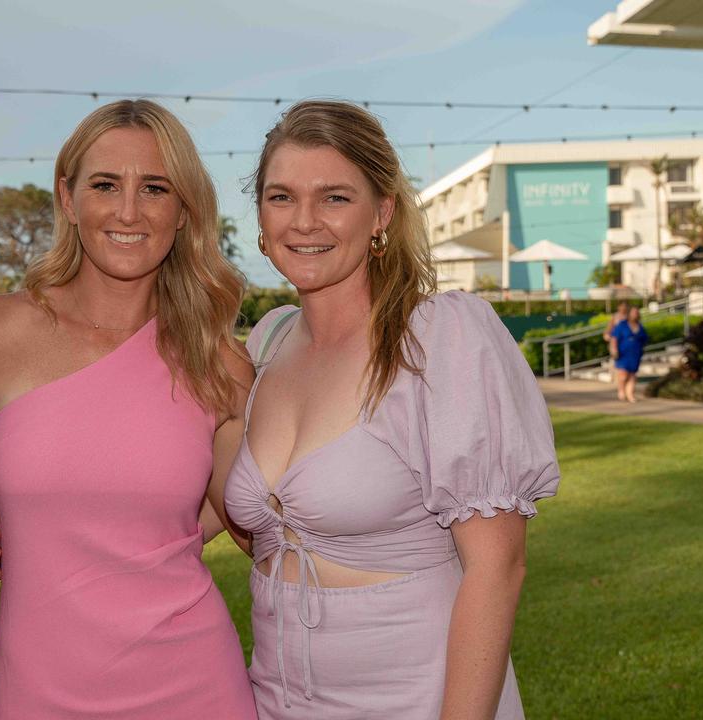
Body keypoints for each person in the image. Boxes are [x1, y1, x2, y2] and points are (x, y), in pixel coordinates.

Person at [222, 100, 561, 719]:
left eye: (335, 198)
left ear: (382, 212)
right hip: (276, 696)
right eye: (281, 197)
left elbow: (497, 567)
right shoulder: (267, 342)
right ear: (261, 218)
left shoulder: (439, 338)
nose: (304, 222)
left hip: (420, 696)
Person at [0, 99, 257, 719]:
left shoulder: (219, 364)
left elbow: (256, 518)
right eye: (105, 185)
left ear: (182, 212)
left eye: (154, 188)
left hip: (192, 685)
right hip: (37, 686)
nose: (128, 211)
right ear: (68, 199)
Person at [611, 306, 649, 402]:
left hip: (635, 353)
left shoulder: (640, 327)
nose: (635, 315)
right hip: (623, 353)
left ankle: (630, 394)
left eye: (636, 313)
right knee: (623, 375)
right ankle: (621, 391)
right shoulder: (622, 325)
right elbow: (614, 338)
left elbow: (644, 339)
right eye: (633, 312)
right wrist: (614, 350)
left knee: (632, 375)